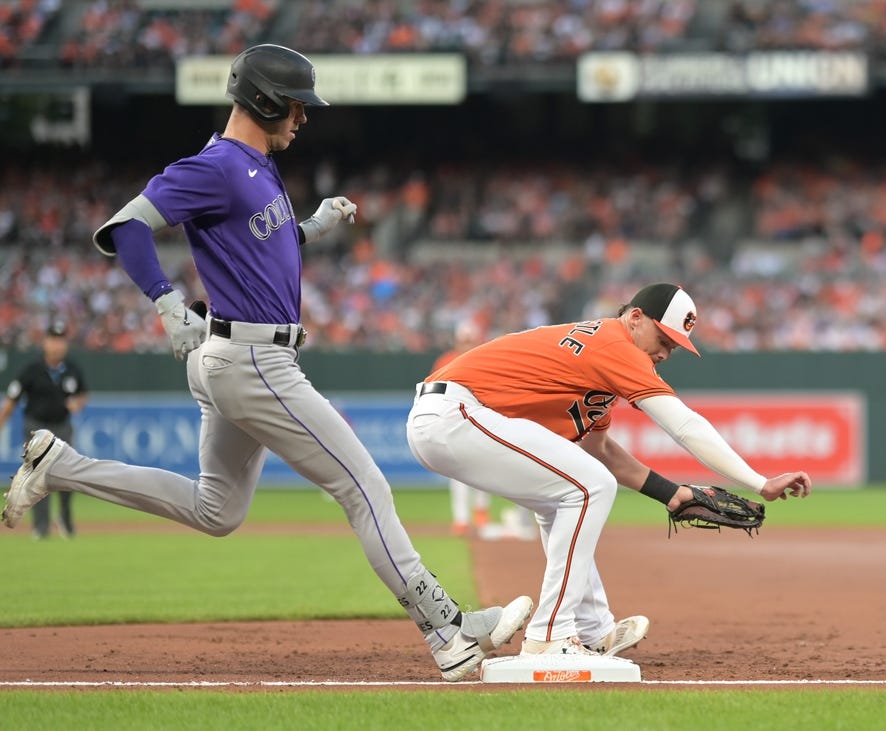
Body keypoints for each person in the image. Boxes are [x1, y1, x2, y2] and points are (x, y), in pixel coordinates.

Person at [0, 44, 532, 682]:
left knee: (216, 511)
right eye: (299, 106)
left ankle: (61, 466)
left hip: (236, 355)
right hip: (253, 360)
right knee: (364, 486)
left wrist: (310, 226)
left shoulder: (255, 167)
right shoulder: (219, 165)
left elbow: (258, 246)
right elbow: (126, 227)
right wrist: (166, 303)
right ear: (266, 100)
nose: (305, 118)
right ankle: (447, 630)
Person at [406, 282, 812, 658]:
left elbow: (599, 451)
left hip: (451, 418)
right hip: (454, 413)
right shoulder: (615, 345)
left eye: (676, 346)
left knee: (568, 494)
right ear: (635, 318)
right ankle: (550, 636)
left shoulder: (602, 362)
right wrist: (760, 482)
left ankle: (595, 631)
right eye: (664, 339)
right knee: (587, 487)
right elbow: (685, 425)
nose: (666, 353)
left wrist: (671, 494)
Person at [0, 319, 87, 540]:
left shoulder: (72, 368)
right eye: (53, 340)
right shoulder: (31, 369)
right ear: (45, 343)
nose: (57, 345)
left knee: (69, 475)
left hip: (62, 426)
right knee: (39, 478)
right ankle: (41, 527)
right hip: (36, 427)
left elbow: (83, 394)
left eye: (61, 340)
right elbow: (12, 398)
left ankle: (65, 521)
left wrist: (77, 403)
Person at [431, 321, 492, 535]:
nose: (466, 344)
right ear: (457, 340)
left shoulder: (484, 358)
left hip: (479, 419)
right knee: (457, 472)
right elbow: (434, 392)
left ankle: (481, 512)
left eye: (470, 340)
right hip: (453, 420)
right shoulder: (445, 361)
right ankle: (461, 519)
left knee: (484, 469)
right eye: (463, 340)